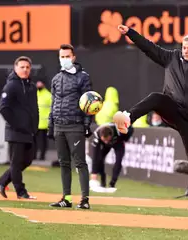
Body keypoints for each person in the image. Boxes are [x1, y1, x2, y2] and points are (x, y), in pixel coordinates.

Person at [113, 25, 188, 219]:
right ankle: (127, 118)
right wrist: (130, 33)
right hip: (173, 110)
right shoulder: (172, 58)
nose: (186, 51)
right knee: (156, 98)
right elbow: (148, 47)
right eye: (184, 47)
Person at [48, 44, 93, 209]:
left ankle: (85, 200)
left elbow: (90, 102)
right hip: (59, 126)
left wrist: (87, 125)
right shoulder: (55, 79)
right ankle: (66, 198)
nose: (64, 59)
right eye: (62, 56)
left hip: (75, 126)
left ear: (74, 58)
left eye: (67, 56)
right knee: (63, 163)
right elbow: (54, 103)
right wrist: (50, 125)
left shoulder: (83, 77)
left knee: (80, 163)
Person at [0, 56, 39, 199]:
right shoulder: (11, 86)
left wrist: (34, 126)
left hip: (29, 131)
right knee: (16, 162)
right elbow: (3, 108)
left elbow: (34, 108)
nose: (25, 70)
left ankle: (2, 180)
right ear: (15, 68)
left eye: (27, 67)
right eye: (22, 67)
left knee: (28, 160)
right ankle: (21, 192)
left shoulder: (31, 86)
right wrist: (17, 124)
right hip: (15, 131)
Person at [89, 123, 133, 192]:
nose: (106, 141)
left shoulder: (119, 130)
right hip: (106, 145)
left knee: (118, 161)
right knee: (99, 159)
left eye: (107, 139)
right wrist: (94, 173)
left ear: (111, 135)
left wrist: (125, 139)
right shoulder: (97, 135)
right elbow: (95, 156)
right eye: (104, 140)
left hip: (118, 142)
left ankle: (112, 183)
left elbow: (131, 129)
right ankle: (103, 182)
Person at [35, 80, 52, 160]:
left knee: (43, 141)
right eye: (37, 82)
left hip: (44, 123)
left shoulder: (48, 95)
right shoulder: (35, 94)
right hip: (35, 122)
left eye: (40, 82)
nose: (38, 84)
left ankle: (42, 156)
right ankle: (33, 155)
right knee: (34, 141)